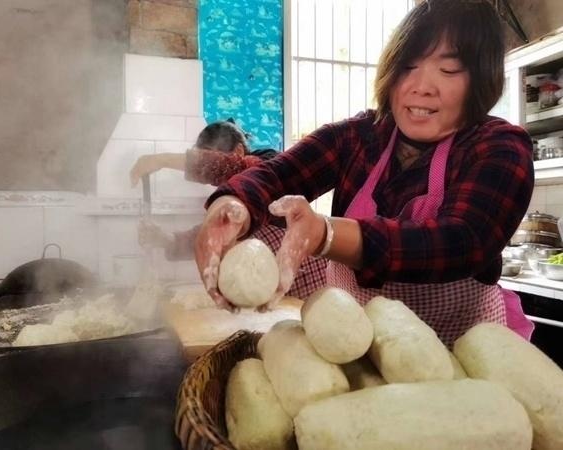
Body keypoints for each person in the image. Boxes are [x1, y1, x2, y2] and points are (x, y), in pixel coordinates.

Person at [194, 0, 535, 347]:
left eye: (448, 71)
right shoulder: (358, 137)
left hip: (457, 356)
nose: (421, 86)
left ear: (482, 80)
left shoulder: (499, 148)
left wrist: (326, 234)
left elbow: (463, 242)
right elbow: (276, 176)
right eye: (408, 67)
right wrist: (228, 204)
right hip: (354, 351)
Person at [130, 119, 328, 300]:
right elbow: (216, 234)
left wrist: (161, 160)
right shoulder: (235, 200)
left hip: (312, 286)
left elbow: (230, 167)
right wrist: (166, 240)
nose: (207, 162)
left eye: (208, 154)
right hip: (278, 293)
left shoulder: (269, 164)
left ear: (239, 151)